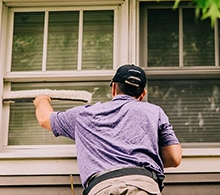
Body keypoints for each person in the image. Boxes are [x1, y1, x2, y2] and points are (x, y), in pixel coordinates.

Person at [33, 64, 182, 195]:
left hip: (101, 186)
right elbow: (174, 158)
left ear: (114, 87)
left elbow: (45, 119)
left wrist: (42, 99)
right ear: (142, 94)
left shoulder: (85, 115)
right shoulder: (154, 112)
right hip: (142, 185)